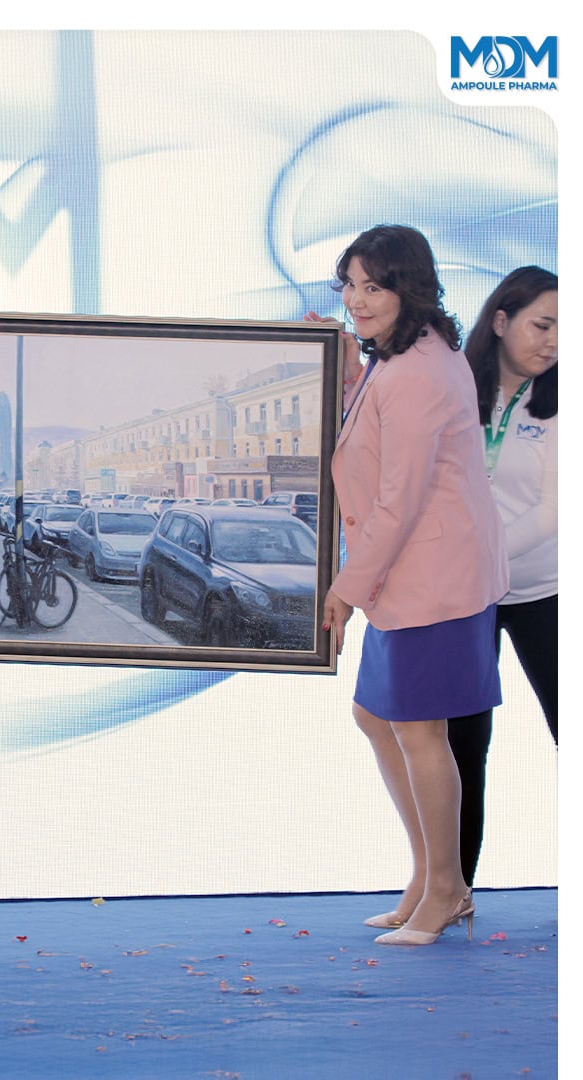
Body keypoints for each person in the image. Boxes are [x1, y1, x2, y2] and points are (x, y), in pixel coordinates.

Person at [309, 225, 509, 946]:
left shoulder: (421, 370)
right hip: (409, 575)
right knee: (377, 716)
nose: (358, 302)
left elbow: (402, 495)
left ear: (409, 288)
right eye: (350, 287)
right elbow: (381, 419)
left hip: (431, 579)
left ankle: (447, 888)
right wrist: (343, 365)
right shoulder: (409, 358)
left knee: (423, 731)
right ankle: (430, 878)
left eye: (374, 287)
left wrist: (346, 588)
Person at [447, 267, 557, 886]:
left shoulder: (562, 401)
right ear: (500, 320)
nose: (553, 342)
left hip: (544, 591)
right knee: (464, 749)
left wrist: (480, 561)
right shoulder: (453, 389)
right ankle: (452, 889)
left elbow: (551, 512)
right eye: (543, 325)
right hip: (466, 599)